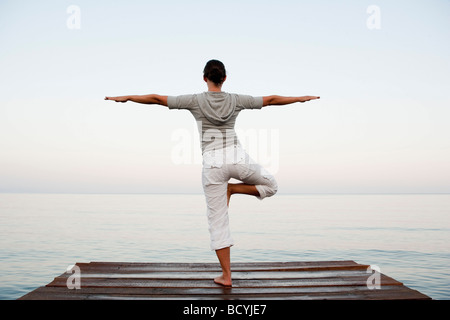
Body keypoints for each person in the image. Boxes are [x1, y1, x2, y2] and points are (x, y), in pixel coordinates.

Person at [105, 59, 320, 287]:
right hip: (237, 157)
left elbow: (157, 99)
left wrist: (126, 97)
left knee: (218, 223)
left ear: (204, 78)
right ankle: (233, 189)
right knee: (272, 185)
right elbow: (271, 100)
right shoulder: (236, 100)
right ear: (225, 78)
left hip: (213, 165)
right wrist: (299, 98)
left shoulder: (195, 100)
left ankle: (226, 277)